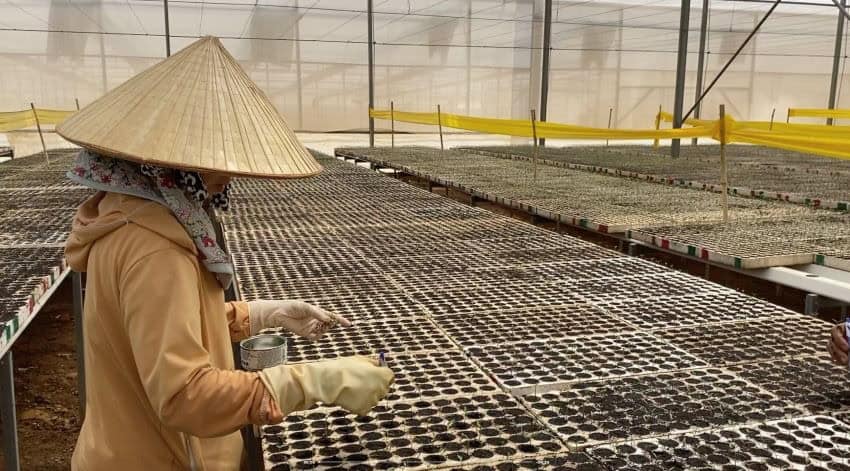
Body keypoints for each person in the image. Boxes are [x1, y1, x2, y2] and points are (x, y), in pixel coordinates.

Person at [57, 36, 394, 470]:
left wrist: (263, 314)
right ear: (172, 164)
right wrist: (308, 382)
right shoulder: (155, 250)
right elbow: (184, 396)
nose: (227, 176)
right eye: (214, 161)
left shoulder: (130, 214)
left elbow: (165, 325)